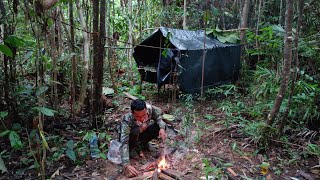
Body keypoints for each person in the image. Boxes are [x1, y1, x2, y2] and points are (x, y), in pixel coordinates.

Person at [119, 99, 167, 177]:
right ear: (132, 113)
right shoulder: (127, 120)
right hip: (132, 137)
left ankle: (143, 144)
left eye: (144, 115)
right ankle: (134, 148)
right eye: (138, 116)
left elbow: (159, 117)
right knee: (135, 131)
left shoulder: (150, 109)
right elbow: (124, 142)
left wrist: (162, 128)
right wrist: (126, 164)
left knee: (160, 126)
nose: (141, 118)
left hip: (143, 133)